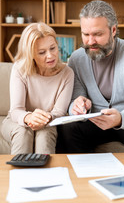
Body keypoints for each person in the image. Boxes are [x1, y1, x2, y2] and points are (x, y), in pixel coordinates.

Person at [58, 0, 124, 153]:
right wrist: (77, 106)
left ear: (113, 30)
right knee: (68, 128)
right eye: (85, 34)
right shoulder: (76, 59)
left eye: (98, 34)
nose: (90, 41)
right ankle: (82, 174)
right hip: (93, 122)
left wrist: (120, 118)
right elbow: (75, 101)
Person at [1, 22, 74, 154]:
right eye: (42, 52)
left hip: (49, 121)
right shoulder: (19, 69)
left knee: (45, 133)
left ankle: (46, 174)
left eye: (53, 48)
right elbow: (16, 110)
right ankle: (19, 173)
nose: (50, 56)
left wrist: (44, 119)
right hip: (17, 120)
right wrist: (29, 118)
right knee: (23, 131)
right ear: (31, 55)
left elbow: (59, 111)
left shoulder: (67, 73)